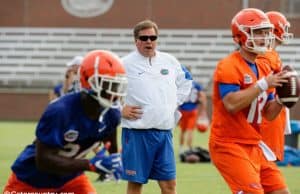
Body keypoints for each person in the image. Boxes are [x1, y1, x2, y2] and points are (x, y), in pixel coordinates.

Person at [3, 50, 127, 193]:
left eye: (117, 86)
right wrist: (90, 164)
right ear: (90, 82)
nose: (114, 93)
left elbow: (110, 143)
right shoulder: (60, 110)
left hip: (71, 178)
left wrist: (115, 160)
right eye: (108, 85)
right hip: (32, 180)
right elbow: (43, 160)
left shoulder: (111, 113)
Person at [209, 8, 291, 194]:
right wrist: (262, 85)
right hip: (228, 143)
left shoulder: (263, 66)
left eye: (266, 32)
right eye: (258, 32)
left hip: (254, 143)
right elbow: (231, 104)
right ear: (241, 35)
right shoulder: (228, 65)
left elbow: (269, 114)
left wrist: (282, 100)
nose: (264, 37)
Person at [120, 19, 192, 194]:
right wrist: (120, 109)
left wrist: (174, 103)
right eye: (144, 38)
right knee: (136, 185)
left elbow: (187, 81)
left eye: (152, 37)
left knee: (169, 185)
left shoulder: (170, 61)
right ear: (135, 40)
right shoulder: (123, 64)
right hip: (137, 133)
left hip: (164, 133)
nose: (149, 42)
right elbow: (107, 92)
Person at [257, 11, 294, 161]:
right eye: (283, 27)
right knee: (266, 163)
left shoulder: (272, 55)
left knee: (269, 162)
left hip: (273, 115)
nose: (286, 32)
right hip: (268, 116)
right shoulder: (266, 56)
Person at [178, 79, 208, 154]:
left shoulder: (182, 84)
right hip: (192, 110)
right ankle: (189, 148)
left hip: (183, 110)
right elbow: (203, 97)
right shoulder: (196, 85)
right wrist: (203, 110)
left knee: (182, 131)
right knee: (190, 131)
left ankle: (181, 149)